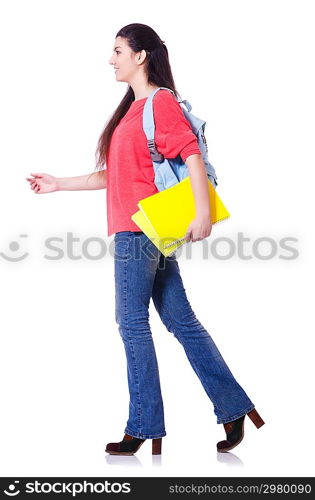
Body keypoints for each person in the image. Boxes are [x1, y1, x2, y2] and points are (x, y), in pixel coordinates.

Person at [26, 23, 265, 456]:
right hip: (146, 229)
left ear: (140, 56)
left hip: (140, 230)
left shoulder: (160, 102)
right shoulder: (131, 112)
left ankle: (143, 425)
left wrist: (204, 213)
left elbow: (190, 152)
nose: (111, 59)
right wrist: (57, 183)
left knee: (132, 323)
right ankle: (233, 406)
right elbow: (113, 175)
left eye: (118, 50)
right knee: (182, 321)